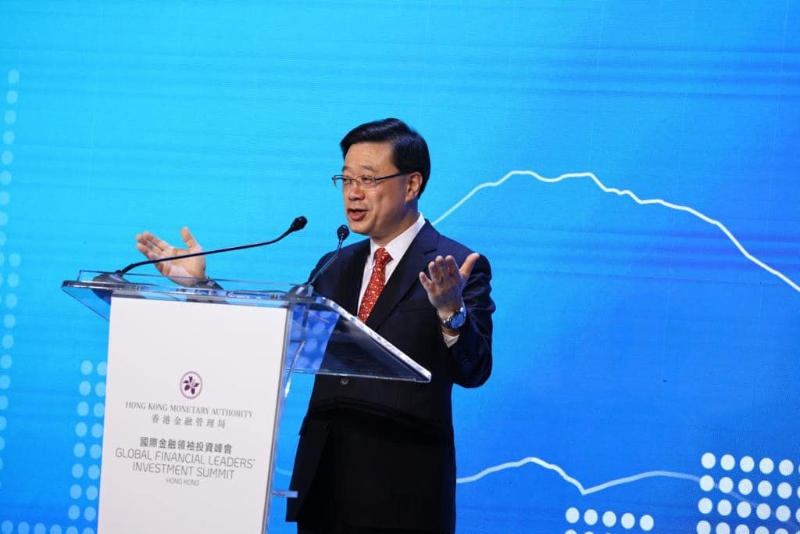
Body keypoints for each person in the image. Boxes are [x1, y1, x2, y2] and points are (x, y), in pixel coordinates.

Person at [134, 118, 495, 534]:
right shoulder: (334, 265)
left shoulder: (456, 266)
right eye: (346, 179)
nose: (353, 192)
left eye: (368, 179)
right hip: (323, 489)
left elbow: (474, 369)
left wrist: (451, 312)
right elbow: (271, 342)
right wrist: (202, 288)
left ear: (412, 185)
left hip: (404, 495)